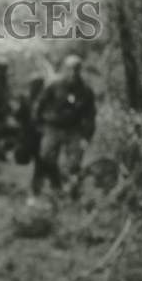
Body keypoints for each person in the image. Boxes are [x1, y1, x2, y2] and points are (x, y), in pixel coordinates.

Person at [30, 54, 96, 197]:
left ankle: (72, 192)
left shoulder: (85, 90)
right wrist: (38, 124)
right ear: (65, 69)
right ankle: (46, 188)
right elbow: (39, 104)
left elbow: (90, 115)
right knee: (46, 158)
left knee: (74, 162)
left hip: (74, 129)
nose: (73, 73)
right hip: (52, 127)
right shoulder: (54, 85)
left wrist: (87, 136)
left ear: (80, 70)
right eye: (70, 69)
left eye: (76, 69)